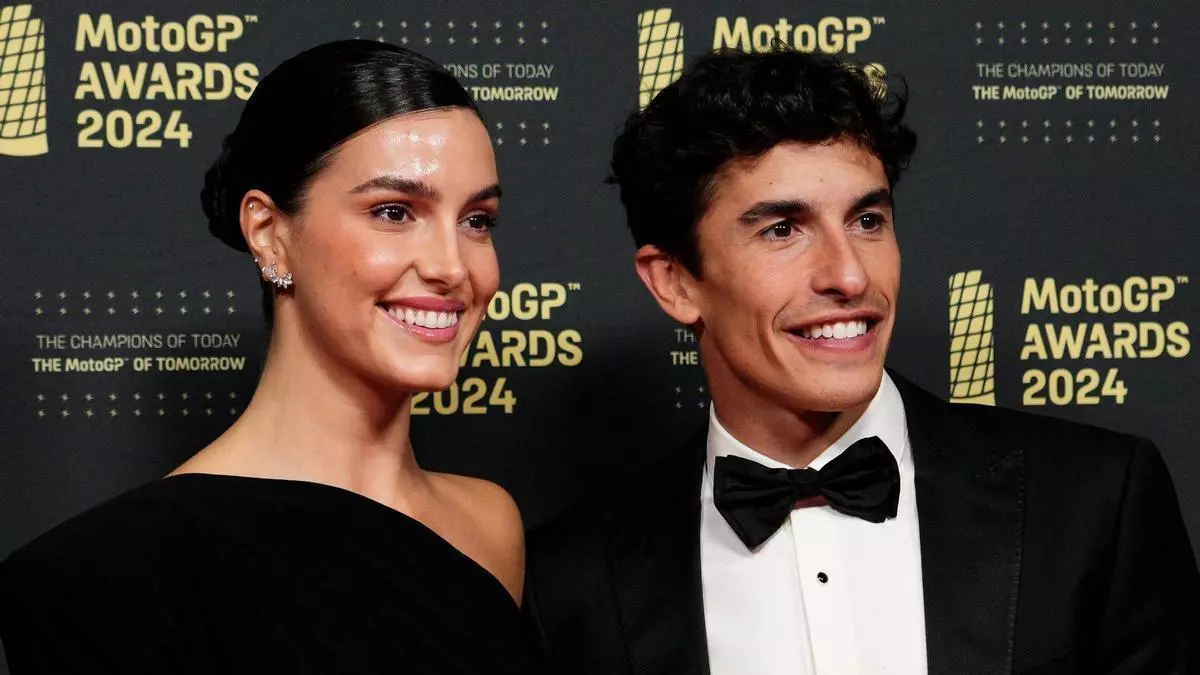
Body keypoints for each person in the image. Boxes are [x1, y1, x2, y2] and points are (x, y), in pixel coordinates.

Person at [524, 48, 1200, 675]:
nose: (849, 275)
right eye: (782, 230)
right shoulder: (574, 584)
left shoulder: (1093, 502)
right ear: (675, 282)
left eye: (867, 221)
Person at [0, 40, 543, 674]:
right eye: (394, 212)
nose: (452, 267)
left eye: (477, 220)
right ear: (268, 233)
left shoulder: (489, 524)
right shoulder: (111, 572)